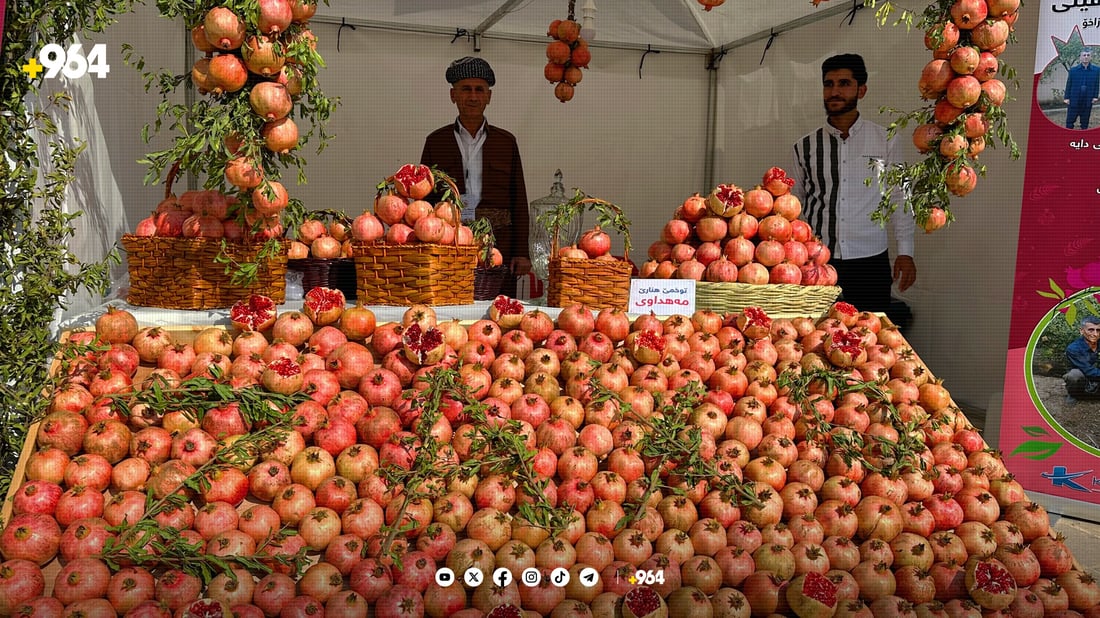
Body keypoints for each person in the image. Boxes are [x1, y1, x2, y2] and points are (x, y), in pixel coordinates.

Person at [790, 53, 916, 316]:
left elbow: (900, 197)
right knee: (813, 334)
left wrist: (906, 252)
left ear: (862, 90)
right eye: (828, 84)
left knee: (871, 334)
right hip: (817, 262)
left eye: (844, 83)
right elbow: (793, 205)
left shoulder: (886, 140)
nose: (834, 92)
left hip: (870, 261)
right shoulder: (804, 147)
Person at [421, 56, 531, 296]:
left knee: (498, 305)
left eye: (479, 90)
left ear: (488, 97)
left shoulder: (506, 142)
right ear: (453, 95)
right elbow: (424, 200)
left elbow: (519, 199)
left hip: (500, 243)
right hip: (450, 242)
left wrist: (522, 252)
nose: (473, 96)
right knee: (450, 300)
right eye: (466, 89)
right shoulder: (436, 142)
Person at [1064, 316, 1100, 404]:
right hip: (1084, 376)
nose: (1095, 334)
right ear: (1082, 331)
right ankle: (1073, 394)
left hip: (1098, 376)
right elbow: (1088, 371)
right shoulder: (1073, 349)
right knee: (1074, 375)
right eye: (1091, 330)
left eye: (1098, 330)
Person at [1064, 49, 1099, 130]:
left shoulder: (1096, 70)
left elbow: (1097, 83)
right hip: (1074, 99)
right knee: (1070, 121)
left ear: (1091, 57)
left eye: (1088, 55)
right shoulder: (1073, 70)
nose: (1086, 57)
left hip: (1087, 99)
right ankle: (1069, 134)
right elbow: (1069, 84)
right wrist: (1066, 97)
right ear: (1080, 57)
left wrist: (1095, 96)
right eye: (1084, 55)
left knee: (1085, 122)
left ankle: (1084, 134)